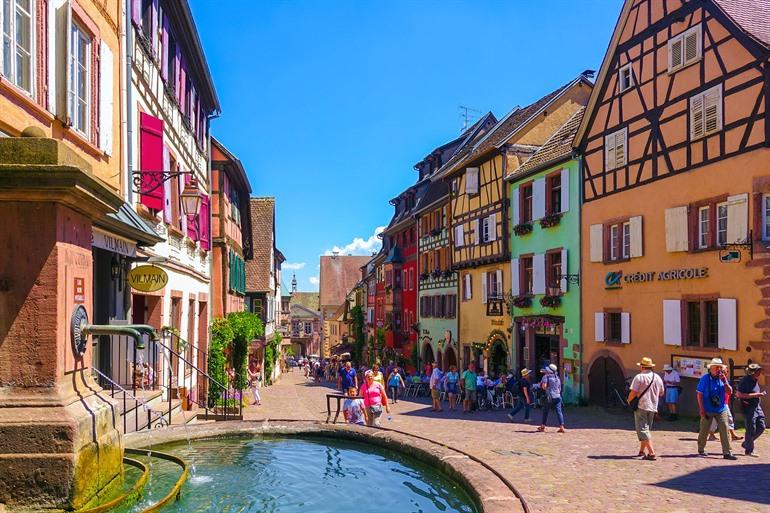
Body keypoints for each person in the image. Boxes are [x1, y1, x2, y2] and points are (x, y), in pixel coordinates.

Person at [696, 358, 737, 459]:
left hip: (721, 408)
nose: (718, 369)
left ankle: (727, 452)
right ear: (711, 369)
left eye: (720, 367)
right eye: (716, 367)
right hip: (707, 408)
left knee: (725, 428)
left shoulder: (722, 378)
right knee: (704, 430)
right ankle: (701, 449)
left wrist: (725, 381)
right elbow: (699, 394)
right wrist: (701, 409)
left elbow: (730, 392)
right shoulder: (704, 379)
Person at [628, 357, 665, 460]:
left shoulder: (639, 377)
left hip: (641, 405)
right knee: (646, 429)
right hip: (653, 406)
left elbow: (633, 392)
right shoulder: (657, 377)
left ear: (642, 367)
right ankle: (641, 451)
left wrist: (629, 400)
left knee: (643, 430)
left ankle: (652, 453)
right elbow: (662, 393)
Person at [736, 363, 766, 457]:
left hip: (757, 406)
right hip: (748, 407)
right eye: (758, 370)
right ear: (753, 372)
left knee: (761, 427)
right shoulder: (745, 381)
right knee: (751, 429)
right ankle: (749, 450)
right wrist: (756, 395)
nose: (760, 372)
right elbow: (739, 395)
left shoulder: (755, 380)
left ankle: (746, 443)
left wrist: (758, 395)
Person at [538, 364, 565, 433]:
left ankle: (543, 426)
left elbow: (544, 386)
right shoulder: (557, 377)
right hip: (558, 396)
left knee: (545, 411)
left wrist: (540, 385)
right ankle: (561, 426)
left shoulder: (546, 377)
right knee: (559, 412)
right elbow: (560, 388)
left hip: (549, 397)